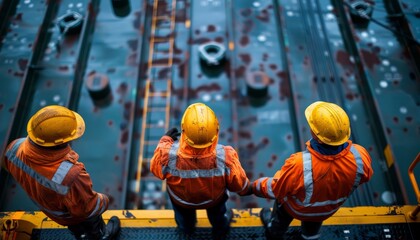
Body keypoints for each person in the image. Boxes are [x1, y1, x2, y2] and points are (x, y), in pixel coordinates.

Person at [252, 101, 373, 240]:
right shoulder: (360, 156)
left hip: (295, 208)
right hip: (326, 211)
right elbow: (365, 177)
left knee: (280, 216)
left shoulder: (299, 164)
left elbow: (277, 188)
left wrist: (254, 186)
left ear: (315, 135)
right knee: (312, 228)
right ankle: (309, 237)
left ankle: (274, 232)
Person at [2, 105, 121, 240]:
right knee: (91, 227)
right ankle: (101, 236)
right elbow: (87, 209)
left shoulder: (14, 147)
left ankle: (80, 235)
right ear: (61, 142)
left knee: (77, 229)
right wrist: (104, 200)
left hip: (53, 212)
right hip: (70, 216)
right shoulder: (70, 174)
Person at [150, 102, 252, 239]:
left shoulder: (167, 154)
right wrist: (247, 189)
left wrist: (165, 140)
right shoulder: (225, 156)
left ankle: (187, 231)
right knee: (218, 217)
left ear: (183, 131)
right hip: (214, 200)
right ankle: (220, 230)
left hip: (182, 201)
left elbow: (155, 170)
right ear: (216, 131)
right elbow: (238, 185)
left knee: (184, 220)